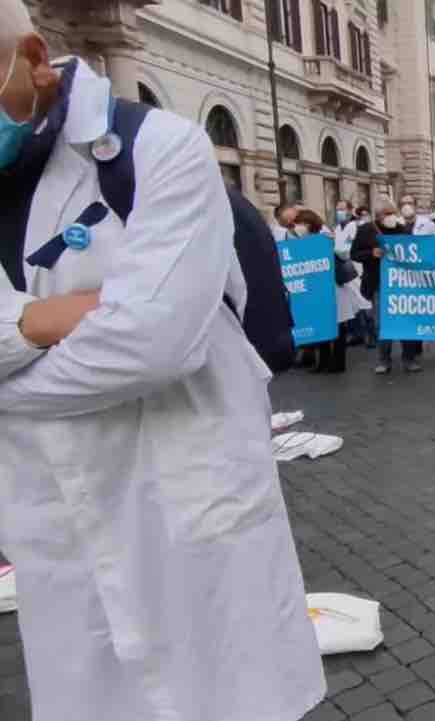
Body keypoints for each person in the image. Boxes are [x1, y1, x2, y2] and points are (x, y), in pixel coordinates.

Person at [0, 15, 325, 720]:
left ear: (31, 59)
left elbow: (152, 343)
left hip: (190, 513)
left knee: (225, 694)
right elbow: (130, 331)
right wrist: (55, 318)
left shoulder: (162, 150)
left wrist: (8, 371)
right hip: (58, 534)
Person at [353, 196, 425, 374]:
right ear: (378, 216)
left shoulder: (403, 230)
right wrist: (371, 253)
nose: (391, 216)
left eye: (394, 213)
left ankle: (409, 359)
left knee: (406, 320)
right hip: (379, 284)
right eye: (387, 214)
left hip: (403, 284)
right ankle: (384, 360)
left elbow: (416, 253)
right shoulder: (366, 230)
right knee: (382, 323)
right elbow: (354, 254)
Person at [293, 208, 353, 373]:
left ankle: (338, 363)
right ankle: (323, 362)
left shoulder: (325, 238)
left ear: (310, 224)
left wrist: (333, 244)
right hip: (317, 290)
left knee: (339, 326)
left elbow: (344, 255)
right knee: (322, 325)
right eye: (297, 224)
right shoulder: (301, 244)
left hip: (335, 288)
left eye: (302, 223)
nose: (299, 227)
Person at [334, 199, 374, 348]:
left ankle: (372, 334)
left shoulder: (355, 226)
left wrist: (337, 249)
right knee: (350, 304)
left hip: (356, 269)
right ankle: (357, 334)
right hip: (343, 271)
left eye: (342, 209)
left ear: (350, 210)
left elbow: (347, 249)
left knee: (363, 302)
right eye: (337, 209)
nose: (339, 212)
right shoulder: (337, 228)